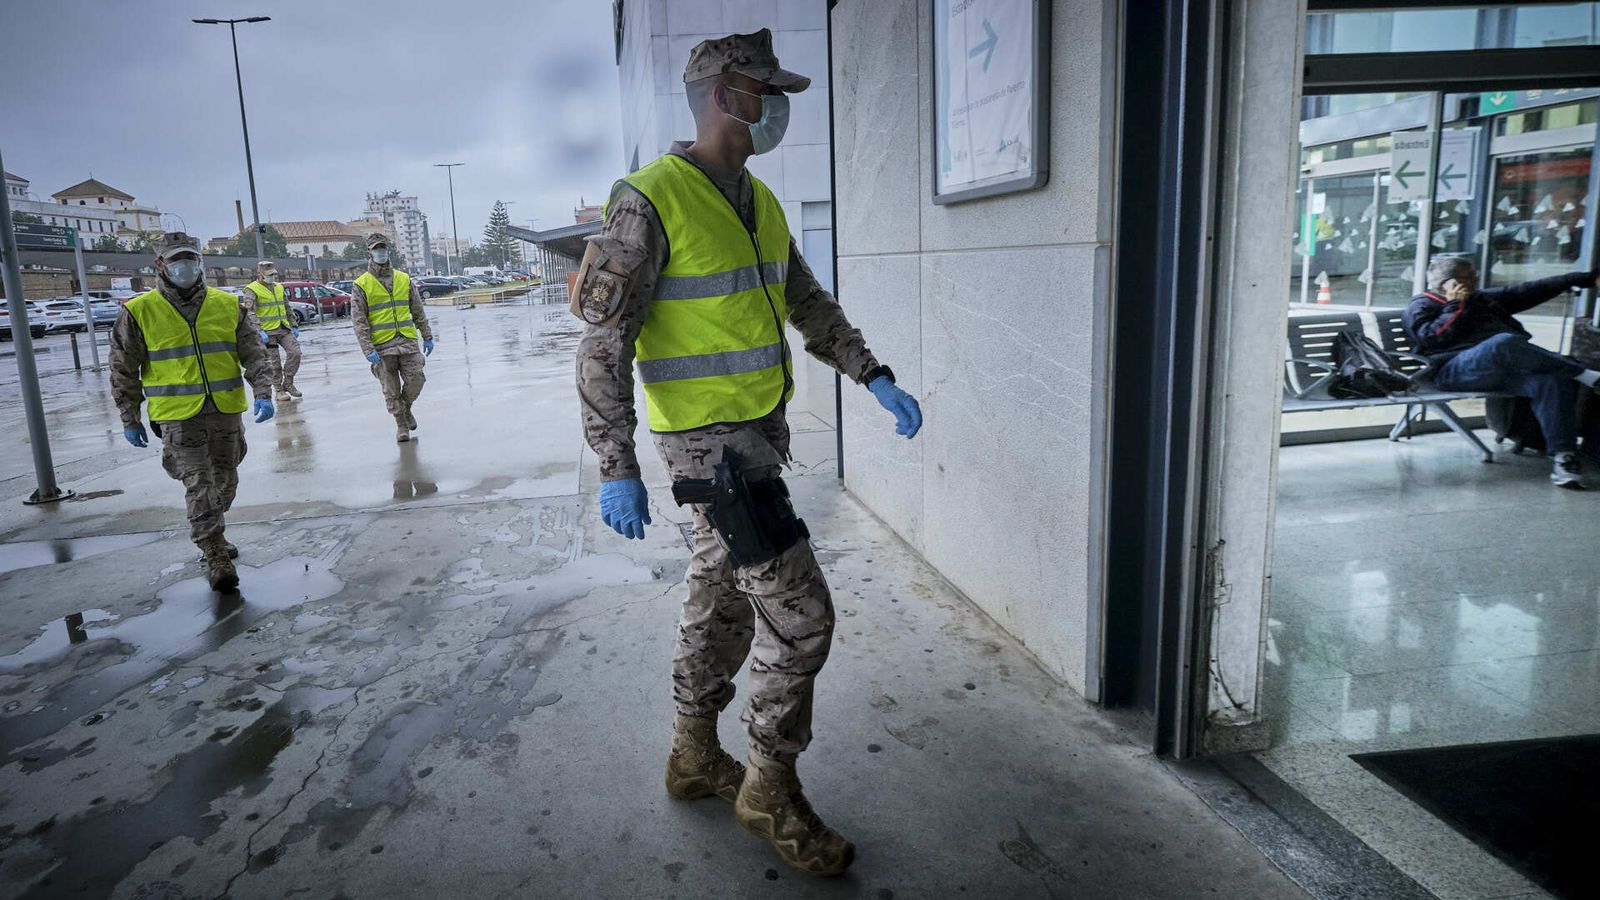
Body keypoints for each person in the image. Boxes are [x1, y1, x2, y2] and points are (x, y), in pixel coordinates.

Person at [573, 29, 923, 877]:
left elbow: (804, 298)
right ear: (725, 95)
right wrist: (615, 463)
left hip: (760, 433)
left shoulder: (755, 199)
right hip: (711, 453)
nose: (780, 109)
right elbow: (600, 345)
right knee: (803, 623)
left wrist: (869, 372)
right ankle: (767, 783)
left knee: (719, 597)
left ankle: (693, 754)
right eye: (769, 92)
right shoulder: (647, 200)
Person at [109, 232, 275, 591]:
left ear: (200, 262)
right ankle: (214, 550)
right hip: (177, 416)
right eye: (175, 260)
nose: (184, 266)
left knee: (225, 481)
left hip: (225, 410)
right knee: (198, 483)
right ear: (160, 264)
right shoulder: (138, 311)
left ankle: (213, 529)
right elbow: (123, 369)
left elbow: (253, 354)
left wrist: (264, 391)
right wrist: (130, 417)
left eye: (190, 258)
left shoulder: (228, 305)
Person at [1404, 255, 1600, 488]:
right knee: (1503, 342)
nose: (1477, 278)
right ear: (1448, 282)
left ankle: (1563, 457)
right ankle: (1586, 375)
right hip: (1452, 371)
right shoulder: (1422, 305)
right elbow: (1431, 339)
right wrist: (1454, 306)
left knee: (1550, 381)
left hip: (1499, 372)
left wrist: (1583, 278)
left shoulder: (1481, 299)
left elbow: (1528, 290)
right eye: (1470, 276)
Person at [349, 233, 434, 442]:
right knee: (391, 390)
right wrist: (367, 349)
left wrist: (427, 334)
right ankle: (401, 425)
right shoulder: (361, 284)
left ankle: (406, 408)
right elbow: (359, 321)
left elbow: (417, 309)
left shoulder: (403, 279)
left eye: (383, 248)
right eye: (376, 249)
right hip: (382, 346)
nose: (380, 252)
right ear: (369, 252)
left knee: (417, 380)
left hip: (406, 341)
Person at [243, 260, 302, 402]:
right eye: (269, 275)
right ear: (260, 274)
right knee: (274, 363)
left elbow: (287, 307)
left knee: (295, 353)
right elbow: (250, 313)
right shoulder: (251, 289)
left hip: (283, 328)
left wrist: (293, 324)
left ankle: (288, 382)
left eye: (273, 274)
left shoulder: (279, 287)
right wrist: (259, 331)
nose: (272, 277)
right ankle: (279, 390)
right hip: (267, 332)